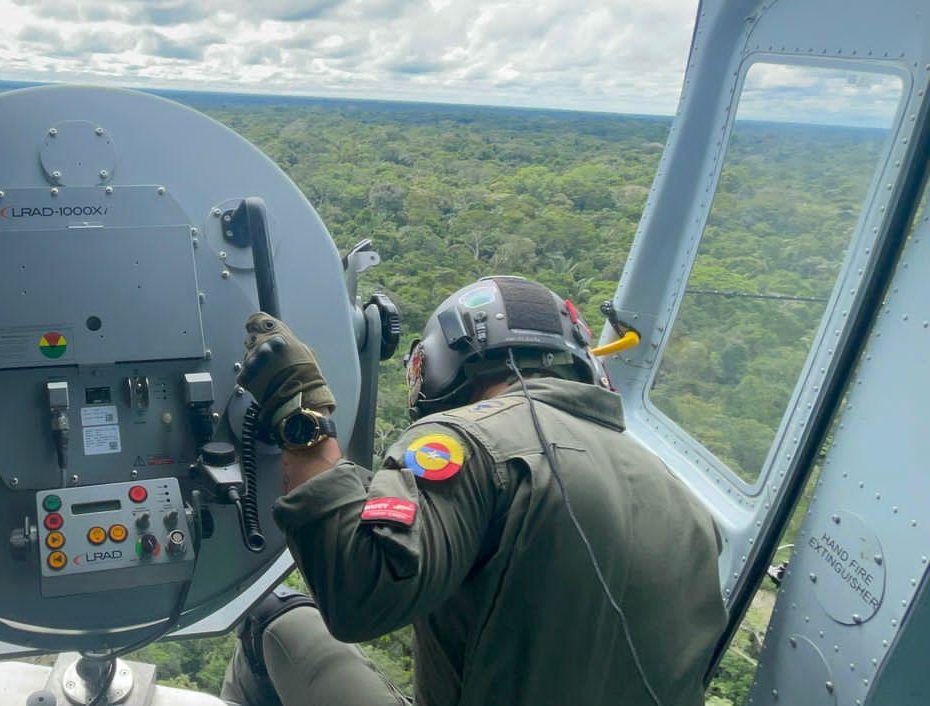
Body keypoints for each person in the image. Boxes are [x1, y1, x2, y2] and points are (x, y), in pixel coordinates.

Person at [222, 276, 726, 706]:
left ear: (442, 363)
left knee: (270, 618)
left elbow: (360, 595)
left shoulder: (467, 440)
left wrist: (300, 416)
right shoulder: (684, 499)